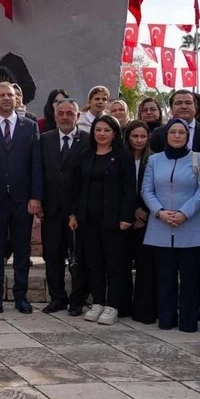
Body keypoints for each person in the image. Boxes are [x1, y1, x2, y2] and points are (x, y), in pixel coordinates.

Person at [0, 82, 43, 314]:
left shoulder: (30, 126)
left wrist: (36, 196)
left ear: (17, 99)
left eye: (10, 95)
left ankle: (20, 296)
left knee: (22, 250)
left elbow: (36, 165)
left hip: (22, 200)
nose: (6, 98)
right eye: (1, 95)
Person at [69, 115, 135, 326]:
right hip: (87, 219)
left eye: (107, 130)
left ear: (114, 133)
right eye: (98, 130)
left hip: (113, 220)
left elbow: (129, 189)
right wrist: (73, 214)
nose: (102, 134)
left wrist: (126, 216)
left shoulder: (122, 156)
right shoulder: (86, 155)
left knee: (113, 264)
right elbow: (76, 187)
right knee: (94, 263)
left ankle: (112, 305)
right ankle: (97, 302)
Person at [141, 118, 200, 332]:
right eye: (172, 132)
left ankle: (188, 322)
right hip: (161, 227)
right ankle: (166, 319)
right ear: (166, 135)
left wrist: (185, 213)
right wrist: (160, 212)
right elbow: (147, 190)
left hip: (190, 228)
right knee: (164, 278)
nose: (177, 136)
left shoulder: (197, 160)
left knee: (190, 279)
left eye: (181, 132)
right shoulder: (154, 161)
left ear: (187, 136)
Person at [38, 98, 89, 316]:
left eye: (70, 113)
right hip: (50, 210)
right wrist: (37, 199)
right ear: (55, 115)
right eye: (61, 113)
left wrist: (76, 210)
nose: (65, 117)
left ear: (77, 116)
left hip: (77, 211)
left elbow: (87, 179)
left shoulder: (87, 140)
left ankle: (77, 300)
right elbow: (37, 172)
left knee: (78, 257)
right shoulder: (44, 139)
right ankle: (57, 297)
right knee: (52, 256)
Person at [125, 120, 156, 324]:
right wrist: (131, 212)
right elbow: (118, 189)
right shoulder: (119, 158)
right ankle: (123, 306)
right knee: (123, 264)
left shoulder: (154, 160)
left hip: (148, 220)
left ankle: (144, 310)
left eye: (142, 136)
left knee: (146, 266)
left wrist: (143, 211)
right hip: (124, 220)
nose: (138, 140)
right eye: (134, 136)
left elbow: (154, 189)